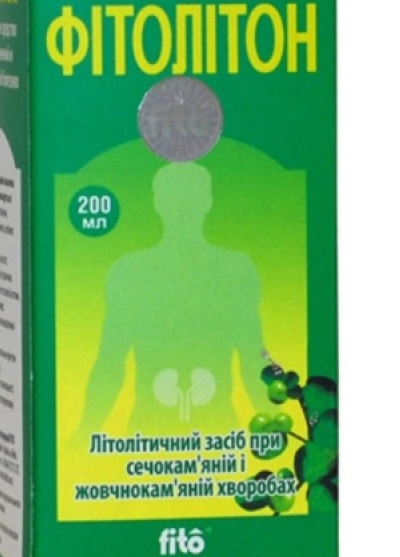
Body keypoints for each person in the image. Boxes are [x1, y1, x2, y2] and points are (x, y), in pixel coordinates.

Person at [74, 162, 268, 441]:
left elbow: (254, 360)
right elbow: (110, 363)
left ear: (206, 202)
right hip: (147, 436)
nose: (182, 208)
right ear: (158, 203)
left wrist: (281, 425)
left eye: (190, 198)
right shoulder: (131, 272)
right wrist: (85, 431)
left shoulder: (235, 271)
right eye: (175, 198)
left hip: (218, 433)